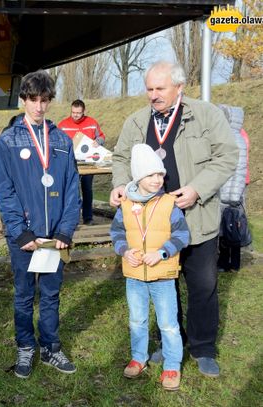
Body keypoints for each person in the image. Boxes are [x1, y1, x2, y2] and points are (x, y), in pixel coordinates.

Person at [109, 61, 238, 378]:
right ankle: (170, 343)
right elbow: (122, 158)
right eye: (149, 89)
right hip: (153, 227)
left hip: (197, 220)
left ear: (179, 87)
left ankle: (203, 347)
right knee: (163, 286)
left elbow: (227, 156)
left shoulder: (206, 115)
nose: (153, 95)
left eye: (160, 89)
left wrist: (197, 189)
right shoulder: (137, 121)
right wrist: (120, 185)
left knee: (202, 285)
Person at [0, 70, 81, 379]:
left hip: (53, 237)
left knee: (51, 293)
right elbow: (5, 191)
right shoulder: (8, 140)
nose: (40, 107)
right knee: (23, 294)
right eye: (33, 100)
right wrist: (20, 232)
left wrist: (65, 230)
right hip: (25, 237)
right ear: (23, 100)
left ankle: (50, 347)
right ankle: (25, 347)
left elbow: (73, 188)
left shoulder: (61, 140)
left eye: (45, 100)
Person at [110, 144, 190, 391]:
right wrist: (125, 251)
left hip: (162, 276)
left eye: (160, 174)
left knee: (168, 323)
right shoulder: (124, 204)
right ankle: (138, 358)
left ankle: (172, 365)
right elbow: (116, 233)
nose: (158, 180)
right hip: (134, 276)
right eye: (151, 175)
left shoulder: (169, 203)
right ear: (138, 177)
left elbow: (182, 235)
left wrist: (162, 252)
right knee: (137, 320)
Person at [58, 99, 106, 225]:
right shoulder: (63, 125)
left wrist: (98, 142)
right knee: (72, 191)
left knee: (87, 190)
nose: (75, 115)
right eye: (73, 112)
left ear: (83, 111)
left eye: (78, 113)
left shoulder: (92, 123)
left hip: (88, 163)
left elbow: (101, 136)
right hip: (70, 164)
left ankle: (88, 217)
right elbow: (56, 141)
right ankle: (71, 218)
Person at [217, 105, 249, 272]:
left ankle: (232, 263)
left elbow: (240, 169)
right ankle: (225, 262)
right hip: (226, 189)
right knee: (225, 227)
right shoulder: (231, 137)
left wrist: (234, 195)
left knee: (232, 226)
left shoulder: (235, 139)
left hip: (231, 192)